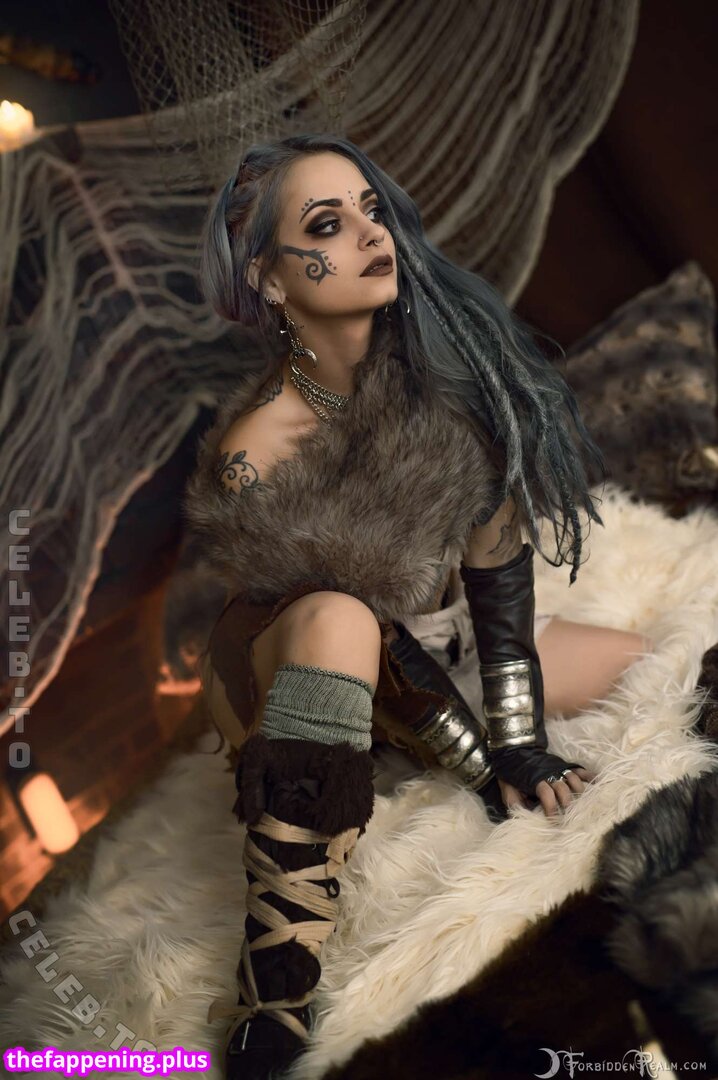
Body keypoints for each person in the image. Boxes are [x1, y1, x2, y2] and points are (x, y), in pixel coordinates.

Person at [182, 134, 653, 1079]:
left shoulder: (446, 385)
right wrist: (479, 766)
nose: (370, 234)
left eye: (371, 210)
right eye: (327, 225)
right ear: (270, 279)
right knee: (344, 617)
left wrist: (519, 742)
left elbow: (499, 590)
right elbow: (362, 640)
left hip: (438, 648)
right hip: (303, 674)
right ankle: (276, 985)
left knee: (649, 667)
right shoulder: (256, 452)